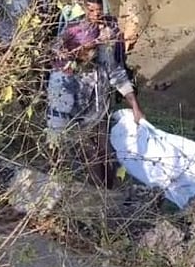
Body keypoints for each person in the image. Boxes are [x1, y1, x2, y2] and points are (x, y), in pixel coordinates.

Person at [45, 19, 144, 188]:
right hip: (78, 127)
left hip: (100, 116)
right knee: (94, 162)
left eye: (94, 47)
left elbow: (117, 75)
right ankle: (101, 199)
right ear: (75, 49)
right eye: (88, 49)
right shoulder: (63, 78)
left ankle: (109, 191)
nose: (93, 52)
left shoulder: (102, 57)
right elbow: (56, 121)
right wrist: (55, 162)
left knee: (108, 158)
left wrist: (135, 107)